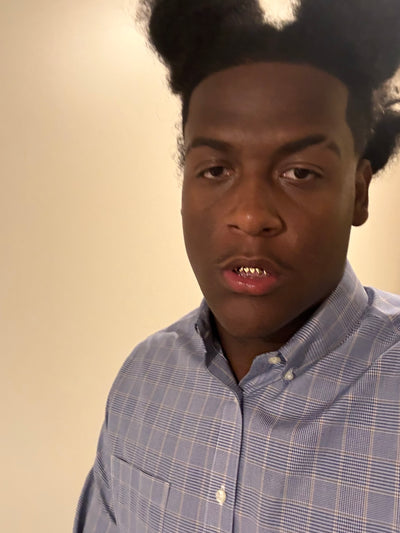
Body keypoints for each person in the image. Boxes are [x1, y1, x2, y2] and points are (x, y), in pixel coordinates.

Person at [74, 1, 400, 531]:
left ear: (358, 192)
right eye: (215, 170)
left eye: (300, 172)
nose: (250, 216)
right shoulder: (142, 380)